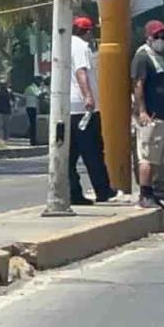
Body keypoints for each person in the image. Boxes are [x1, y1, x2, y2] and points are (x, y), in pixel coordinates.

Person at [69, 16, 114, 205]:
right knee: (93, 151)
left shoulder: (65, 44)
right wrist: (88, 96)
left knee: (69, 156)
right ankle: (103, 190)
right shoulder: (81, 47)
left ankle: (74, 192)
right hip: (83, 108)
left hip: (68, 108)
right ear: (88, 32)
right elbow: (81, 71)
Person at [131, 20, 164, 209]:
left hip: (163, 117)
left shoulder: (159, 59)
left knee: (159, 157)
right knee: (148, 156)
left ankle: (156, 191)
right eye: (156, 36)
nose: (161, 40)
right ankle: (145, 194)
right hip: (151, 117)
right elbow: (138, 85)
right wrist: (142, 112)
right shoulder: (143, 57)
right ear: (148, 38)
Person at [23, 77, 41, 145]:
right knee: (33, 124)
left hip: (28, 107)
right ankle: (33, 140)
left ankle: (32, 139)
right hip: (33, 108)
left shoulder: (28, 88)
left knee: (31, 124)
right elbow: (39, 94)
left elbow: (24, 96)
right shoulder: (34, 88)